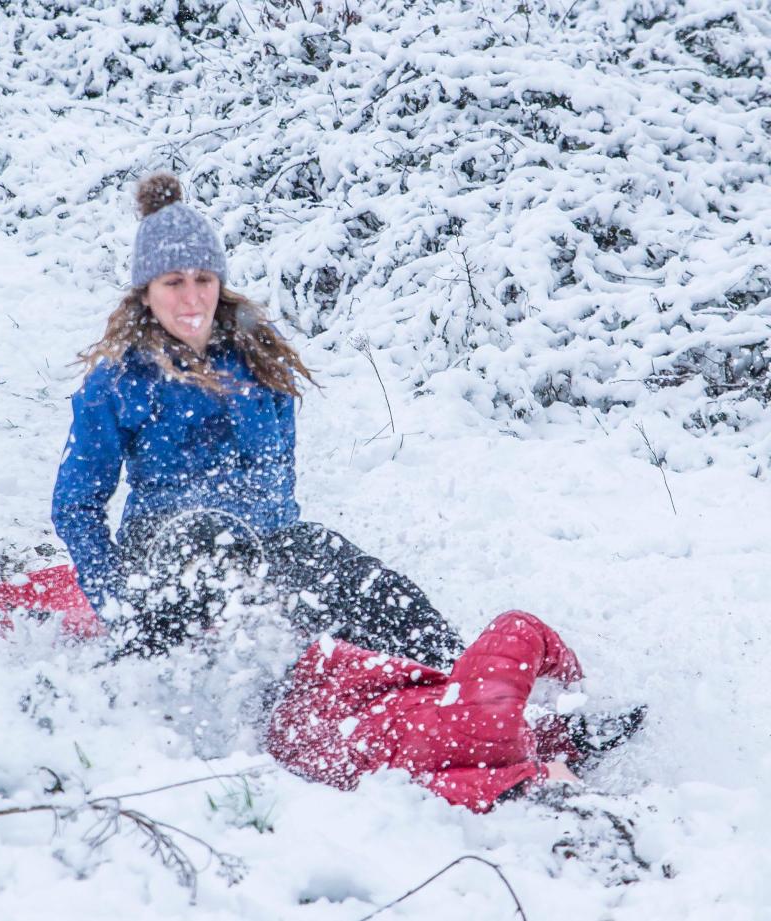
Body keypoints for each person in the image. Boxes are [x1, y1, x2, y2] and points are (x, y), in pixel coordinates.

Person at [51, 172, 465, 667]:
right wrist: (118, 601)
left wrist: (297, 568)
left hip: (267, 544)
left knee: (359, 578)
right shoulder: (117, 381)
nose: (191, 299)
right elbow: (77, 505)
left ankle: (464, 681)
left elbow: (277, 475)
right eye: (173, 282)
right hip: (164, 551)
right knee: (205, 558)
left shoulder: (262, 359)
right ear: (145, 293)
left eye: (203, 279)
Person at [268, 609, 645, 811]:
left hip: (323, 693)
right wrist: (575, 693)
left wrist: (571, 695)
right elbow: (518, 629)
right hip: (316, 716)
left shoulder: (486, 743)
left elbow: (522, 629)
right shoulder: (482, 743)